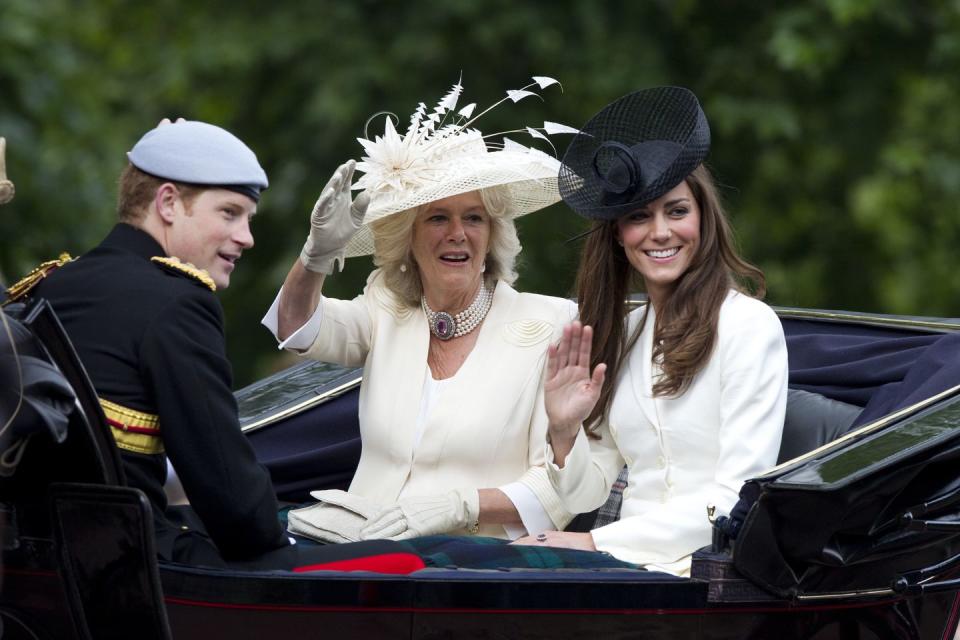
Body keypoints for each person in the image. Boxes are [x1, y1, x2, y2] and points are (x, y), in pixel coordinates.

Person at [6, 119, 420, 572]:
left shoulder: (52, 284)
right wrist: (277, 533)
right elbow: (231, 497)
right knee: (403, 560)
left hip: (38, 560)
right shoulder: (175, 301)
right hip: (131, 573)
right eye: (229, 212)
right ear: (167, 203)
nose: (246, 236)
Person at [264, 78, 578, 542]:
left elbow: (559, 486)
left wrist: (463, 505)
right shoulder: (386, 308)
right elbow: (297, 329)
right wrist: (314, 259)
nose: (457, 233)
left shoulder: (550, 324)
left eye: (473, 217)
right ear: (407, 239)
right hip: (358, 552)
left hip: (473, 567)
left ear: (492, 235)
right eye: (437, 218)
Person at [514, 87, 789, 576]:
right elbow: (588, 491)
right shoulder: (626, 332)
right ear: (619, 236)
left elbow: (734, 501)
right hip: (620, 570)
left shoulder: (748, 326)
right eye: (639, 217)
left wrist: (595, 543)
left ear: (704, 220)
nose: (659, 232)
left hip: (708, 573)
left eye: (677, 211)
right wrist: (562, 430)